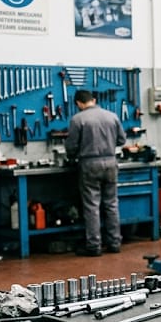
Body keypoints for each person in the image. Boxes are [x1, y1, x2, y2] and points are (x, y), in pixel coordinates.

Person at [65, 89, 126, 257]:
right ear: (94, 100)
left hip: (90, 164)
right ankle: (115, 243)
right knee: (112, 204)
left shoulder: (78, 119)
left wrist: (73, 156)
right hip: (111, 162)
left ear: (79, 103)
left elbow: (71, 146)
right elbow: (122, 140)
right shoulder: (112, 116)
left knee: (92, 206)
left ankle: (94, 246)